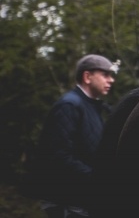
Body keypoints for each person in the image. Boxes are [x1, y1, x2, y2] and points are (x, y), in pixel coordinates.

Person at [32, 54, 119, 217]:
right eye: (105, 75)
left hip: (83, 196)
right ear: (87, 76)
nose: (111, 80)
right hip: (66, 198)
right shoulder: (69, 105)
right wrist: (97, 178)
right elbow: (59, 156)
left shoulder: (94, 107)